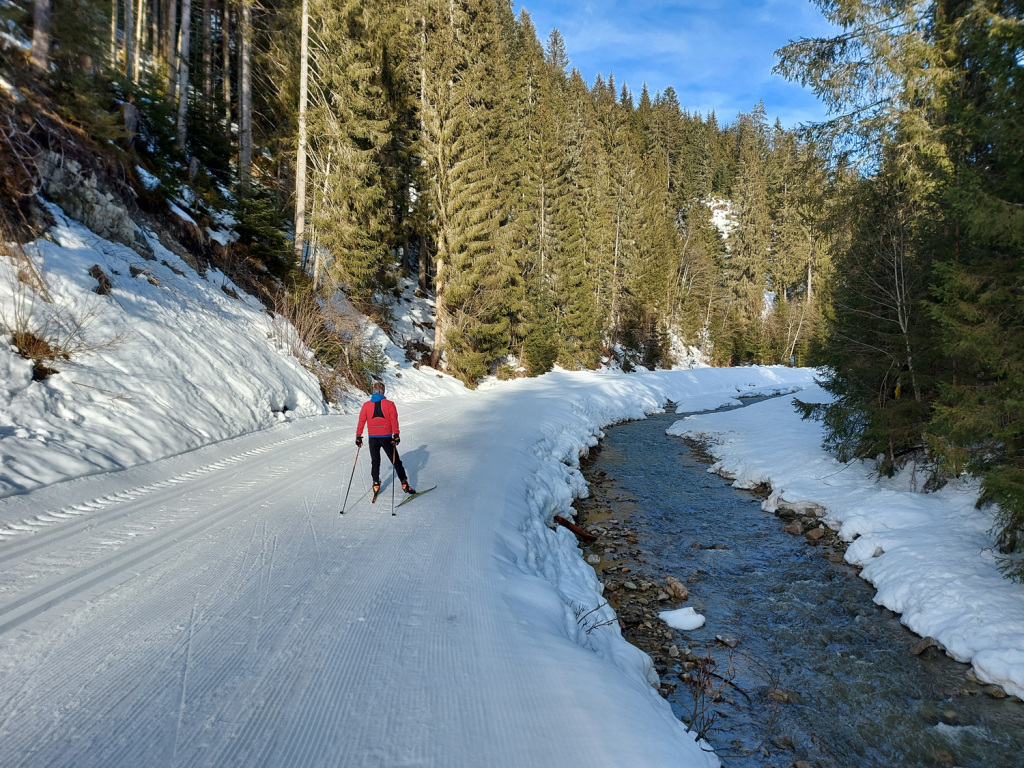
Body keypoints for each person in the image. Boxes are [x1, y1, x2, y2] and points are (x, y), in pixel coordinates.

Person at [355, 381, 415, 499]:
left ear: (373, 390)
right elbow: (394, 420)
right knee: (396, 461)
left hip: (373, 438)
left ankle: (376, 484)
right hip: (387, 437)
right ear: (383, 391)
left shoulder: (366, 405)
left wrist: (358, 436)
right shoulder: (390, 404)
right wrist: (396, 434)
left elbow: (362, 421)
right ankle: (404, 483)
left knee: (375, 461)